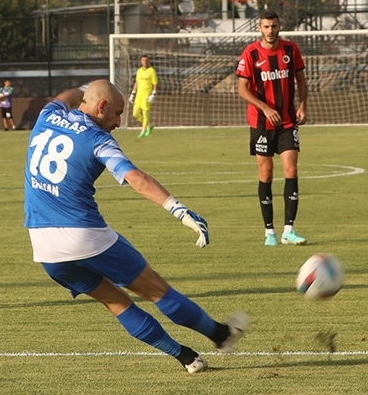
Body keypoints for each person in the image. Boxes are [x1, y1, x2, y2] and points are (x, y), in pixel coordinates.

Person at [24, 79, 249, 373]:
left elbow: (66, 96)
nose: (118, 122)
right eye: (117, 113)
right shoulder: (98, 140)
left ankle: (186, 357)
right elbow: (135, 178)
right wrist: (179, 210)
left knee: (117, 303)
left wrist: (86, 88)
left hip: (44, 246)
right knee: (157, 290)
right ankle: (220, 336)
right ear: (102, 106)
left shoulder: (47, 115)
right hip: (84, 234)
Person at [236, 10, 308, 246]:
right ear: (260, 28)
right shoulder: (251, 53)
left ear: (279, 27)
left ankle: (289, 230)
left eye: (274, 26)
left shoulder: (291, 50)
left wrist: (303, 106)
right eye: (266, 26)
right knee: (266, 173)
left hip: (287, 121)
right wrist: (265, 108)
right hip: (261, 123)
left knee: (291, 169)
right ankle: (269, 232)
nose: (270, 30)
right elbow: (242, 89)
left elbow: (301, 80)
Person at [128, 55, 158, 137]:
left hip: (147, 95)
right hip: (138, 95)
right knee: (135, 113)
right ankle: (149, 125)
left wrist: (153, 94)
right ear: (141, 61)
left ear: (148, 61)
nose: (145, 62)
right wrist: (133, 93)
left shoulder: (152, 71)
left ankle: (143, 131)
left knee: (145, 113)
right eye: (143, 60)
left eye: (146, 60)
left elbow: (155, 83)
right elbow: (137, 82)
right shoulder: (139, 71)